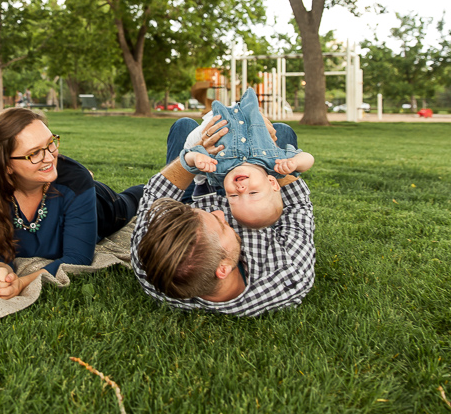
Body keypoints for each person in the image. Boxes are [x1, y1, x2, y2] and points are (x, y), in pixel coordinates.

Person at [130, 113, 316, 316]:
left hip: (197, 195)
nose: (219, 212)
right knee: (281, 130)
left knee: (184, 126)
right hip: (256, 200)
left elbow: (156, 195)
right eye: (221, 225)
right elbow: (296, 205)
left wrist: (193, 156)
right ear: (223, 269)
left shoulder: (151, 263)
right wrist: (269, 153)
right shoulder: (287, 275)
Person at [0, 108, 142, 299]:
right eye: (34, 153)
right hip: (69, 187)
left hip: (100, 204)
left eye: (50, 143)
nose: (50, 157)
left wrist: (22, 282)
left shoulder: (75, 181)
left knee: (135, 200)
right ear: (6, 165)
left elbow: (78, 258)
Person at [179, 89, 314, 229]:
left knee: (183, 126)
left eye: (233, 196)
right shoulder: (276, 164)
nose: (241, 189)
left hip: (215, 120)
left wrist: (196, 157)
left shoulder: (217, 169)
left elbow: (187, 158)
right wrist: (295, 162)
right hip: (249, 112)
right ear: (272, 182)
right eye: (253, 193)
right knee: (281, 127)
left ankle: (202, 186)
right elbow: (308, 158)